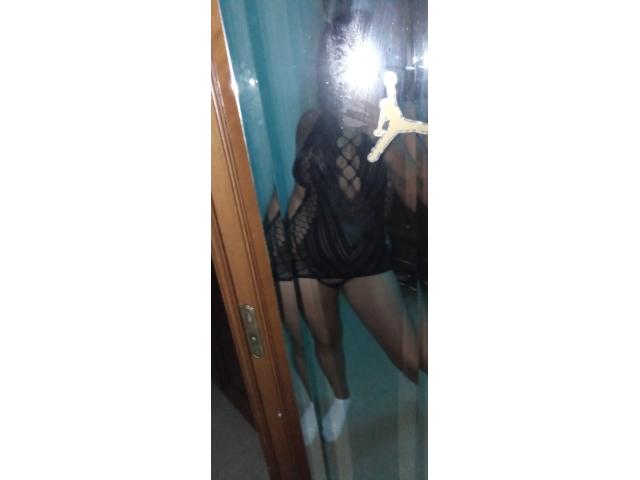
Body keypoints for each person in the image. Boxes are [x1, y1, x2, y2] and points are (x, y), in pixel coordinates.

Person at [264, 9, 427, 445]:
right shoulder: (310, 121)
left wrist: (381, 135)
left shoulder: (400, 121)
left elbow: (419, 194)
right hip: (308, 249)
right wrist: (273, 226)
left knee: (413, 359)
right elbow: (300, 185)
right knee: (323, 340)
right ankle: (338, 398)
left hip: (365, 260)